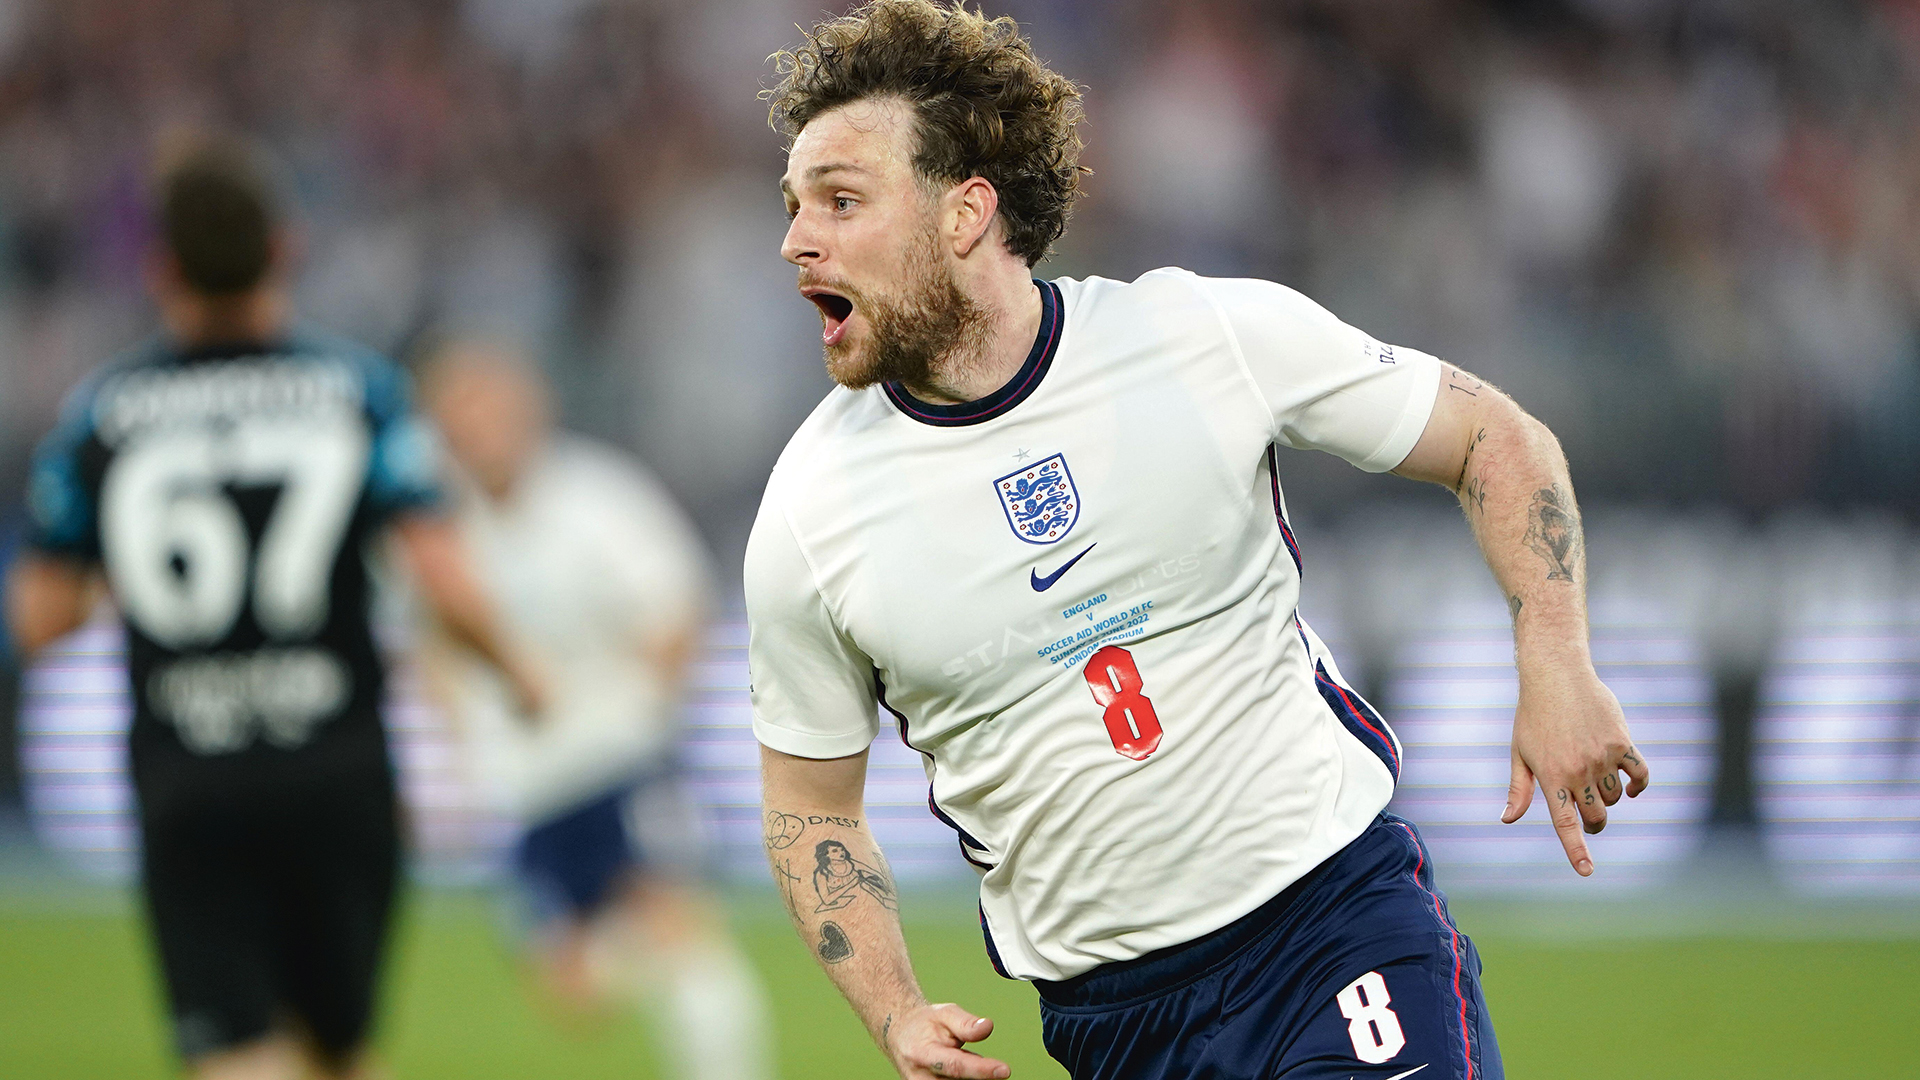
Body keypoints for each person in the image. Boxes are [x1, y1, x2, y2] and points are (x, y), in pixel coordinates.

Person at [743, 4, 1650, 1079]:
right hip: (1113, 1026)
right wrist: (893, 1010)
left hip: (1333, 930)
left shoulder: (1198, 336)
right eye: (796, 206)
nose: (798, 240)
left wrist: (1553, 654)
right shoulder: (810, 511)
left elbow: (1493, 436)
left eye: (842, 201)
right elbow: (810, 813)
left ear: (965, 214)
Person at [3, 136, 544, 1080]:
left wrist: (121, 572)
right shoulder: (358, 391)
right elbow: (440, 574)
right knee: (340, 1053)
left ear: (160, 267)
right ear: (285, 250)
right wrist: (520, 673)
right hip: (337, 773)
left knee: (238, 1053)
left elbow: (40, 620)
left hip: (189, 777)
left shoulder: (101, 414)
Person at [416, 340, 772, 1080]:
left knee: (677, 927)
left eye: (486, 407)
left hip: (621, 758)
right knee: (573, 992)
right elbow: (432, 642)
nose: (472, 428)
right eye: (457, 413)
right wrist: (465, 751)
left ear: (527, 410)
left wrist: (645, 717)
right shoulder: (439, 524)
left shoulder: (597, 496)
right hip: (528, 782)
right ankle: (637, 950)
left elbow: (675, 607)